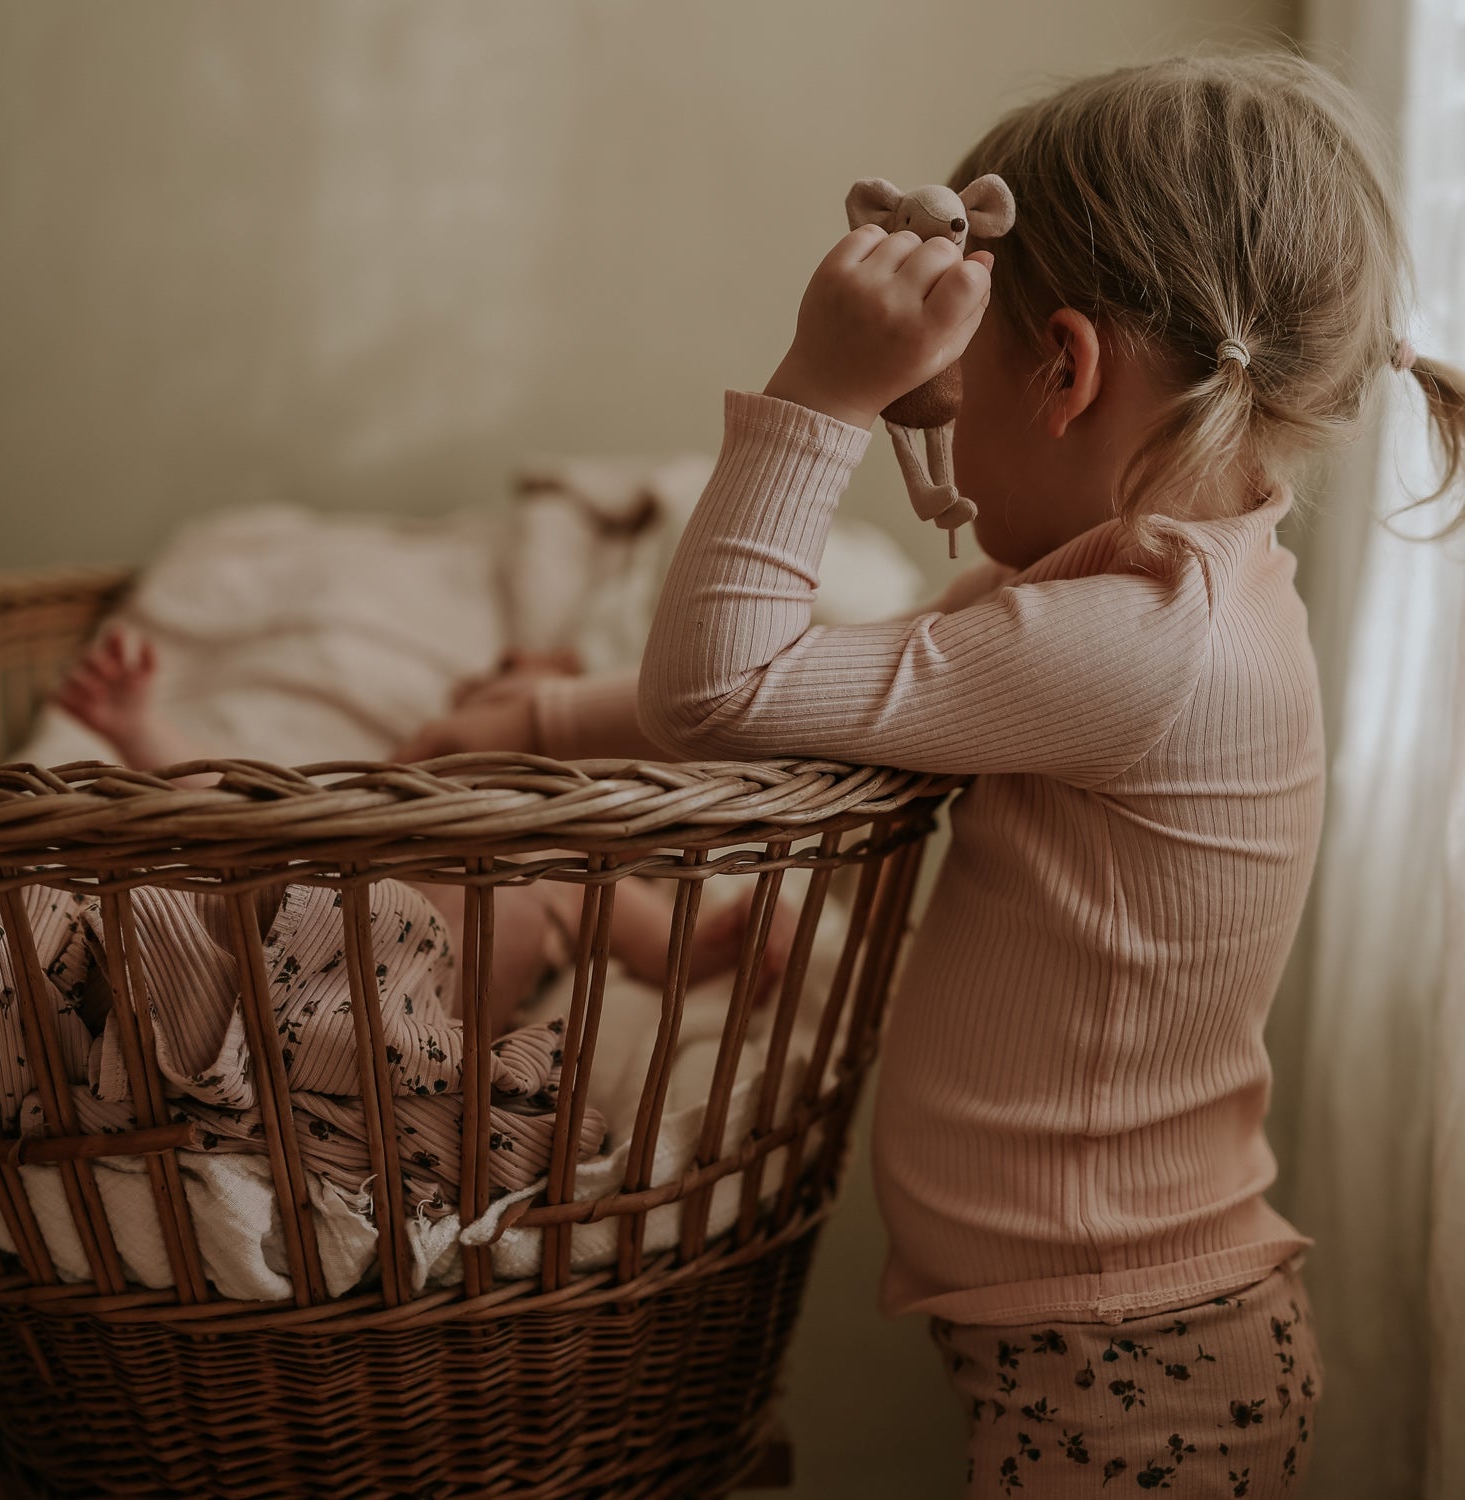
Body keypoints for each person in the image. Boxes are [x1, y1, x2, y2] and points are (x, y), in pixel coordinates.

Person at [614, 51, 1461, 1496]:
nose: (922, 426)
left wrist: (819, 389)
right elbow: (818, 683)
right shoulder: (1132, 600)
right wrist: (540, 716)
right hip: (1118, 1332)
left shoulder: (1138, 646)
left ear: (1064, 372)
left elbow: (716, 687)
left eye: (932, 394)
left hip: (1131, 1353)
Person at [54, 629, 793, 1033]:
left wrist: (748, 929)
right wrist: (143, 728)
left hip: (415, 1005)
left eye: (530, 697)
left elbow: (678, 957)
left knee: (503, 901)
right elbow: (234, 810)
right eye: (493, 689)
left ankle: (366, 1067)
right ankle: (165, 988)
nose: (505, 691)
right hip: (318, 912)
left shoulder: (567, 855)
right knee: (248, 842)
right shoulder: (369, 792)